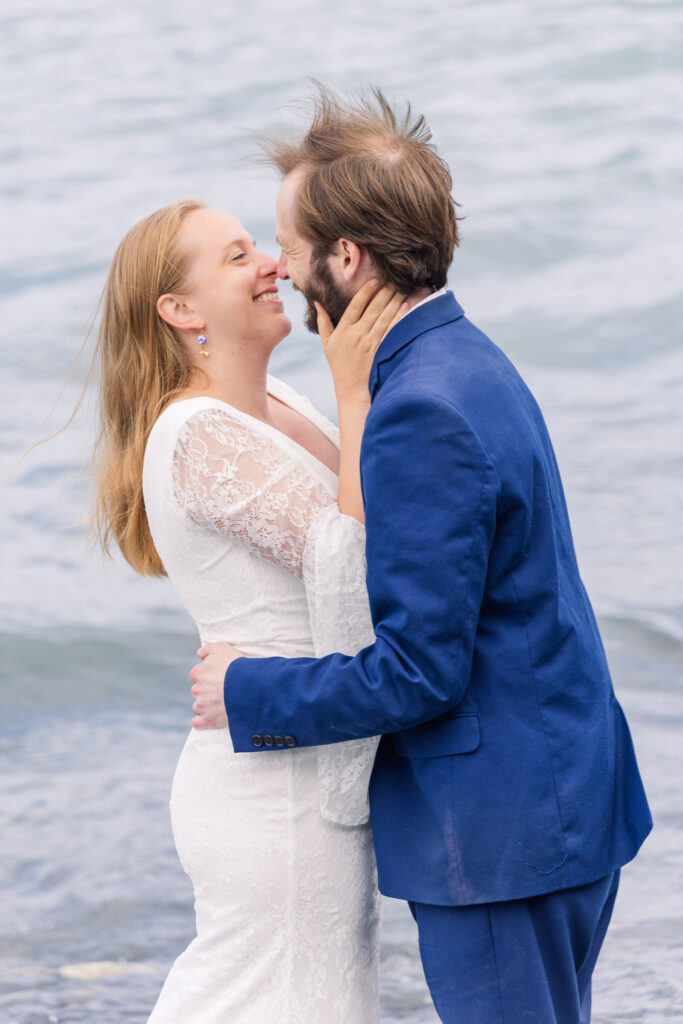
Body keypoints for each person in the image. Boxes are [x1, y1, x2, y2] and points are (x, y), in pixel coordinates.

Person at [189, 87, 653, 1023]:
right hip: (560, 795)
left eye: (289, 241)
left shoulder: (415, 411)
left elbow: (419, 674)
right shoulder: (463, 357)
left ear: (346, 258)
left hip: (499, 838)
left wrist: (246, 691)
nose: (279, 265)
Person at [92, 197, 407, 1022]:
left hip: (312, 752)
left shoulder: (281, 402)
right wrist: (354, 389)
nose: (270, 263)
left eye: (257, 247)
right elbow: (353, 569)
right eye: (236, 258)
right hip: (272, 789)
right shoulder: (199, 433)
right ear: (180, 310)